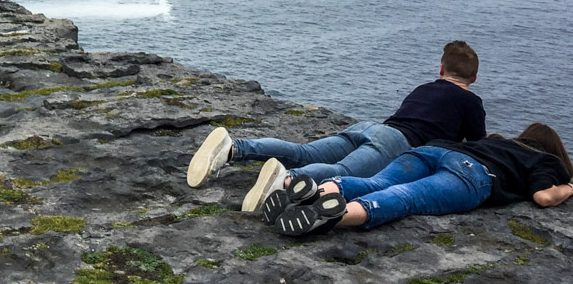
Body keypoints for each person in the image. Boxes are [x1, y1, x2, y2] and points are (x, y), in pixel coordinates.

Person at [188, 41, 486, 212]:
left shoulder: (424, 88)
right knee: (342, 173)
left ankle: (234, 148)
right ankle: (286, 180)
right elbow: (475, 148)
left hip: (370, 128)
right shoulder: (470, 102)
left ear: (441, 69)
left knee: (304, 151)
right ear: (472, 79)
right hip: (398, 144)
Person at [265, 122, 573, 236]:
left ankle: (310, 193)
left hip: (432, 151)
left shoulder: (498, 140)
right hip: (470, 173)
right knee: (405, 198)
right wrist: (569, 186)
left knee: (376, 183)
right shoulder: (546, 161)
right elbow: (544, 197)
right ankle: (329, 216)